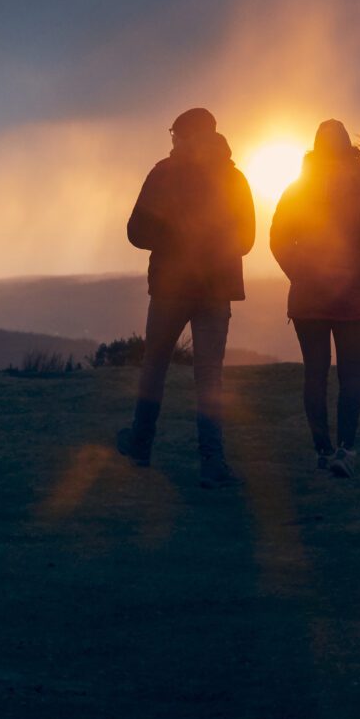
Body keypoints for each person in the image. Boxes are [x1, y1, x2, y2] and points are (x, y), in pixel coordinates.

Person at [117, 107, 255, 489]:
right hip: (216, 291)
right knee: (209, 376)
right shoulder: (234, 179)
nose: (173, 140)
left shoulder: (163, 174)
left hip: (170, 288)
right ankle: (212, 463)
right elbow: (246, 240)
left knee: (155, 366)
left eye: (176, 134)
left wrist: (173, 239)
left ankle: (140, 448)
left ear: (187, 136)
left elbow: (135, 231)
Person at [269, 119, 360, 479]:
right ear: (348, 148)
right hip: (352, 303)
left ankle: (322, 450)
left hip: (308, 300)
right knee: (351, 376)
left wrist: (299, 273)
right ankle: (345, 450)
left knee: (315, 374)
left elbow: (277, 238)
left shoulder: (297, 190)